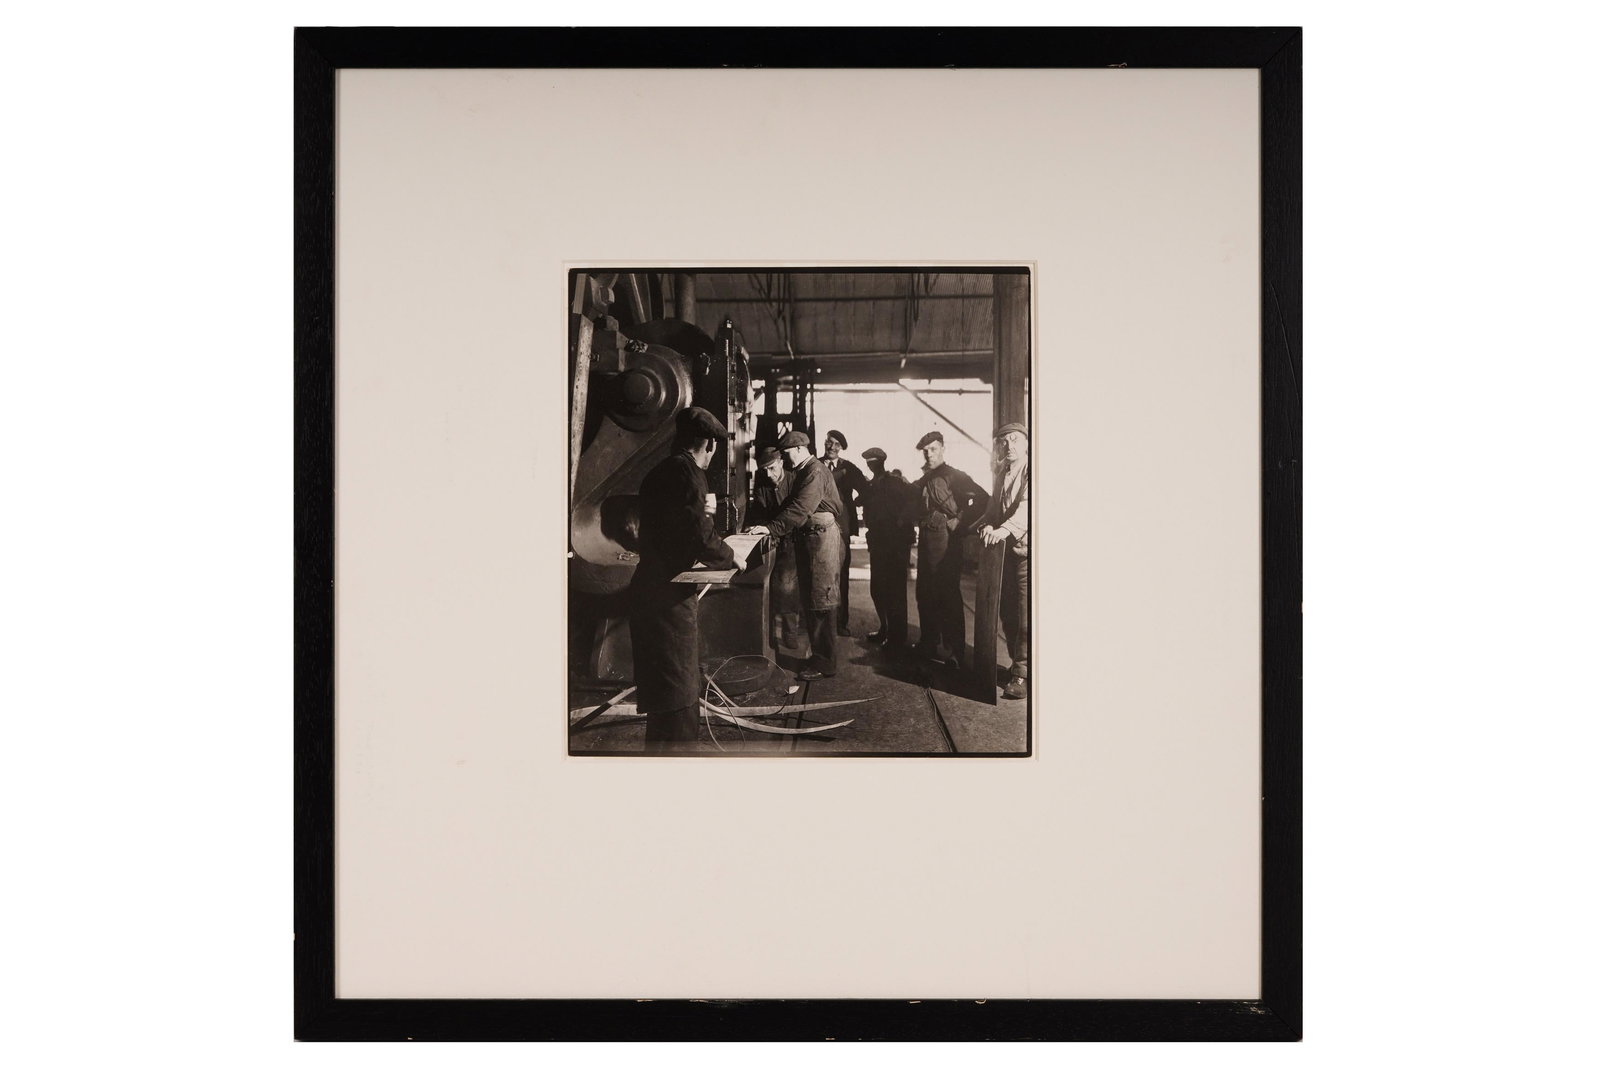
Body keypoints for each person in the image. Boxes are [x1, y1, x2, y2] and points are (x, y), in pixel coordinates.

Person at [628, 407, 744, 751]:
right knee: (678, 691)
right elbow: (699, 535)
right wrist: (730, 556)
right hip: (669, 596)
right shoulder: (690, 473)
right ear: (709, 444)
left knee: (663, 693)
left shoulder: (662, 470)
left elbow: (676, 529)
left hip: (650, 587)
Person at [746, 430, 845, 680]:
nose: (786, 459)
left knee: (822, 601)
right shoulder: (805, 470)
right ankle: (821, 657)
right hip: (812, 538)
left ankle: (825, 663)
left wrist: (770, 528)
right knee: (814, 599)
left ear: (800, 449)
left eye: (788, 453)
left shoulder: (814, 471)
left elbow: (800, 508)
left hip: (821, 539)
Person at [912, 430, 989, 669]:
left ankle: (955, 651)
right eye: (925, 451)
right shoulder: (926, 477)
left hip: (946, 542)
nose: (928, 454)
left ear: (943, 448)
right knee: (925, 592)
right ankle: (928, 642)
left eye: (933, 449)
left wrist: (961, 521)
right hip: (926, 540)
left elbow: (983, 498)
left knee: (947, 595)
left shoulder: (954, 475)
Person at [976, 423, 1030, 700]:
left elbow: (1026, 509)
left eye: (1015, 440)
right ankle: (1017, 665)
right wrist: (985, 525)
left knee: (1025, 617)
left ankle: (1023, 673)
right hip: (1006, 554)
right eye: (1004, 442)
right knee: (1008, 613)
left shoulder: (1032, 470)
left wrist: (1002, 530)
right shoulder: (1002, 472)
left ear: (1026, 443)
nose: (1009, 446)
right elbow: (992, 510)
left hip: (1027, 555)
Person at [746, 446, 804, 653]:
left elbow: (798, 514)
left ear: (781, 462)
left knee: (788, 587)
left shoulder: (796, 481)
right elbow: (759, 512)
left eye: (772, 468)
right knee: (769, 587)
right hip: (772, 541)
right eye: (765, 471)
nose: (769, 474)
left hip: (793, 541)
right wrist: (758, 527)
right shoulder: (763, 487)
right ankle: (770, 636)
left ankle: (790, 633)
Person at [859, 446, 916, 649]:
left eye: (873, 462)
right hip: (878, 542)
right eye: (868, 462)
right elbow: (862, 501)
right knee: (878, 589)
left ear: (881, 462)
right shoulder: (872, 485)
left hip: (896, 544)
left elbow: (913, 499)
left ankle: (897, 637)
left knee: (895, 591)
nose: (870, 465)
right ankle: (885, 627)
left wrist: (902, 520)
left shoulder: (895, 482)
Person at [821, 430, 868, 636]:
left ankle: (841, 622)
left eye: (837, 445)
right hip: (819, 527)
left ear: (841, 449)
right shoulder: (815, 464)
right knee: (820, 573)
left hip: (841, 528)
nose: (832, 447)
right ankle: (821, 622)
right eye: (829, 442)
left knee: (841, 574)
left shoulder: (849, 468)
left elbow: (865, 489)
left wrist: (850, 505)